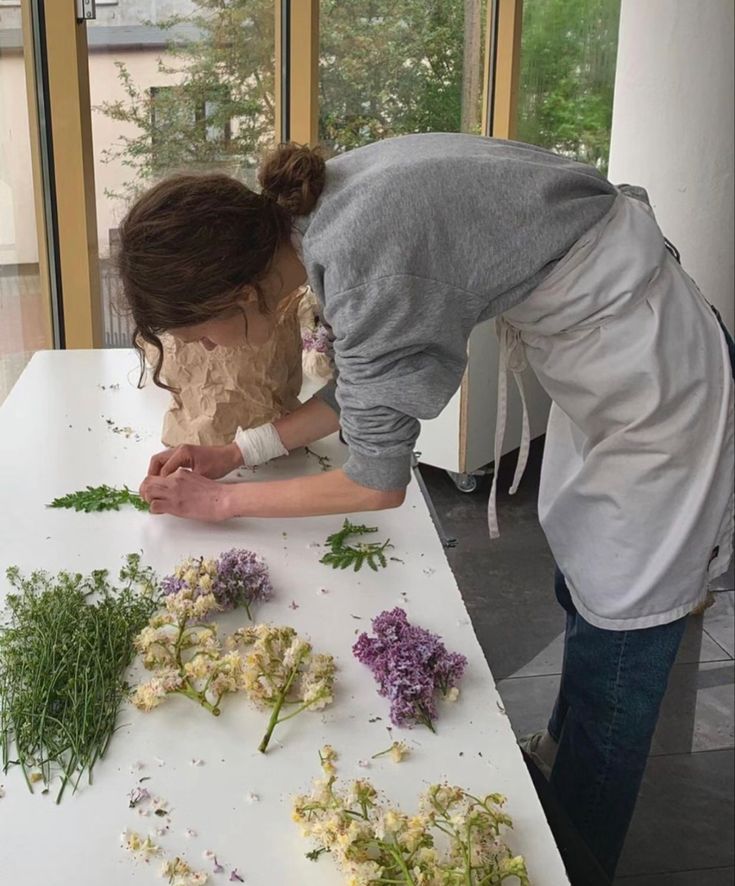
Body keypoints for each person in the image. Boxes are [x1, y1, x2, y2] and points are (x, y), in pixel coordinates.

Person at [119, 134, 734, 879]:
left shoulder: (364, 259)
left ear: (237, 295)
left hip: (653, 374)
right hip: (602, 348)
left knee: (627, 628)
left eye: (201, 337)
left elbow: (376, 482)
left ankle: (580, 851)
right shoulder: (323, 216)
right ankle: (561, 764)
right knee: (583, 572)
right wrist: (238, 453)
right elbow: (367, 387)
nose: (211, 352)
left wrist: (219, 503)